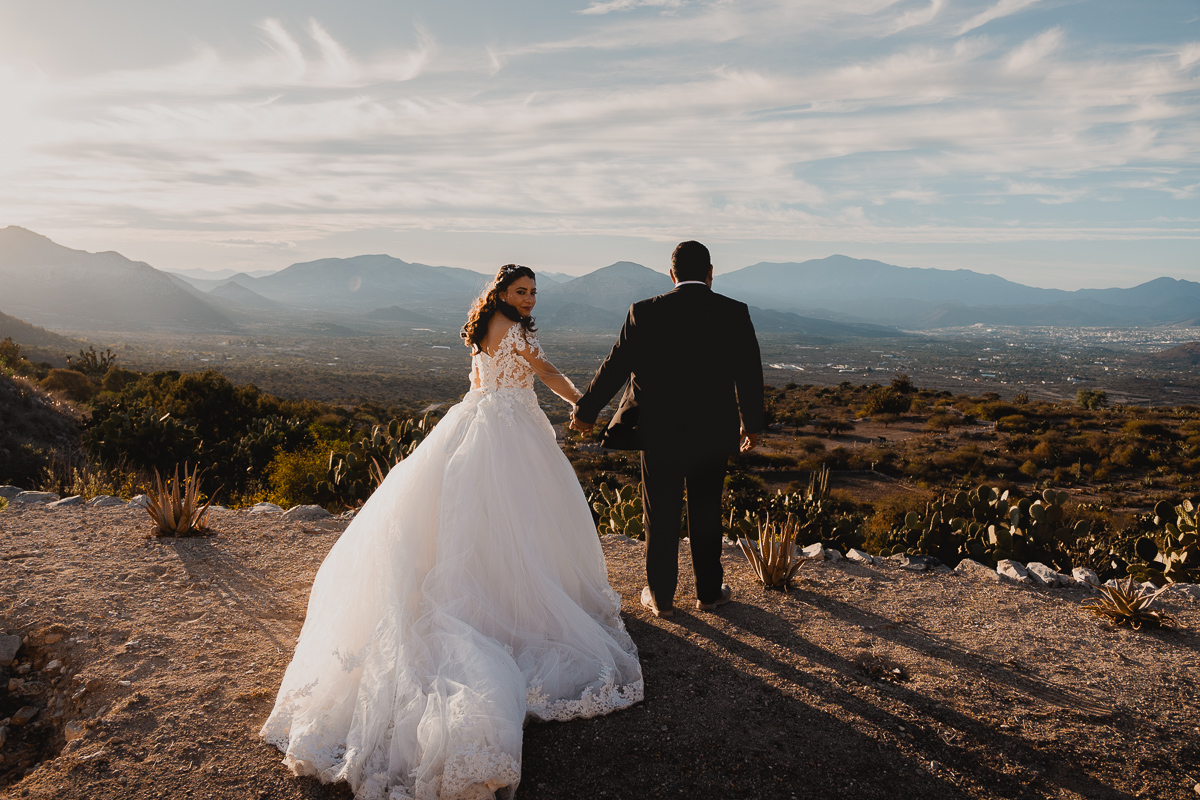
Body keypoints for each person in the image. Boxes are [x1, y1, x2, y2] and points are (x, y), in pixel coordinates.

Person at [261, 264, 643, 800]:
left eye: (534, 292)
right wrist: (581, 401)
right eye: (521, 291)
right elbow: (547, 372)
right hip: (508, 432)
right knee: (519, 520)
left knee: (478, 521)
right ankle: (514, 603)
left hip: (479, 422)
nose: (529, 299)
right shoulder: (513, 332)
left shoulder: (487, 327)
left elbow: (490, 382)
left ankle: (492, 588)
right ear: (502, 293)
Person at [570, 241, 764, 619]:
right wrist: (751, 425)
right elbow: (749, 373)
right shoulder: (733, 312)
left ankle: (660, 598)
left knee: (659, 514)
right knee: (707, 511)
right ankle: (709, 593)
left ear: (671, 274)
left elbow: (615, 366)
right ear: (711, 274)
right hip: (713, 430)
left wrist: (587, 411)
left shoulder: (644, 312)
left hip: (658, 432)